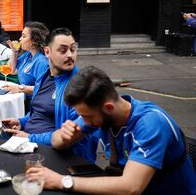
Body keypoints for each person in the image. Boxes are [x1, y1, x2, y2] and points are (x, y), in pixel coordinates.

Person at [27, 66, 196, 194]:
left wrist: (61, 181)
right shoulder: (100, 113)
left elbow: (131, 187)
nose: (83, 122)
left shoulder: (150, 123)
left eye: (86, 117)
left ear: (108, 107)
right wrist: (64, 136)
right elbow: (57, 142)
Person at [2, 28, 98, 162]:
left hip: (53, 151)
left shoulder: (80, 86)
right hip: (27, 136)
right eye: (63, 50)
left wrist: (28, 137)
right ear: (47, 52)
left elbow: (68, 137)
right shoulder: (45, 75)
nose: (70, 55)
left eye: (73, 49)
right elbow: (39, 109)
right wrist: (21, 121)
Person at [3, 21, 49, 99]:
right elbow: (12, 70)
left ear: (34, 41)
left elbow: (44, 89)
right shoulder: (27, 55)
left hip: (34, 103)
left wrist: (20, 88)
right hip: (23, 98)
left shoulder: (42, 62)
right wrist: (14, 51)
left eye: (24, 36)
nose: (20, 39)